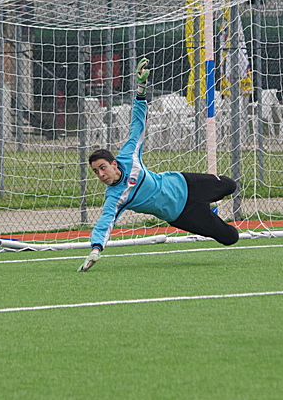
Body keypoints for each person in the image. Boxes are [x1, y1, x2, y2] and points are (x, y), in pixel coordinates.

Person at [79, 58, 240, 272]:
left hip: (184, 184)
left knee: (230, 185)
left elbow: (138, 123)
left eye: (102, 167)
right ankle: (206, 208)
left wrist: (141, 88)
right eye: (95, 172)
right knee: (230, 237)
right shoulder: (115, 197)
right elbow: (104, 223)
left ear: (114, 163)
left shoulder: (129, 156)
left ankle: (207, 201)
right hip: (181, 214)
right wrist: (95, 249)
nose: (100, 174)